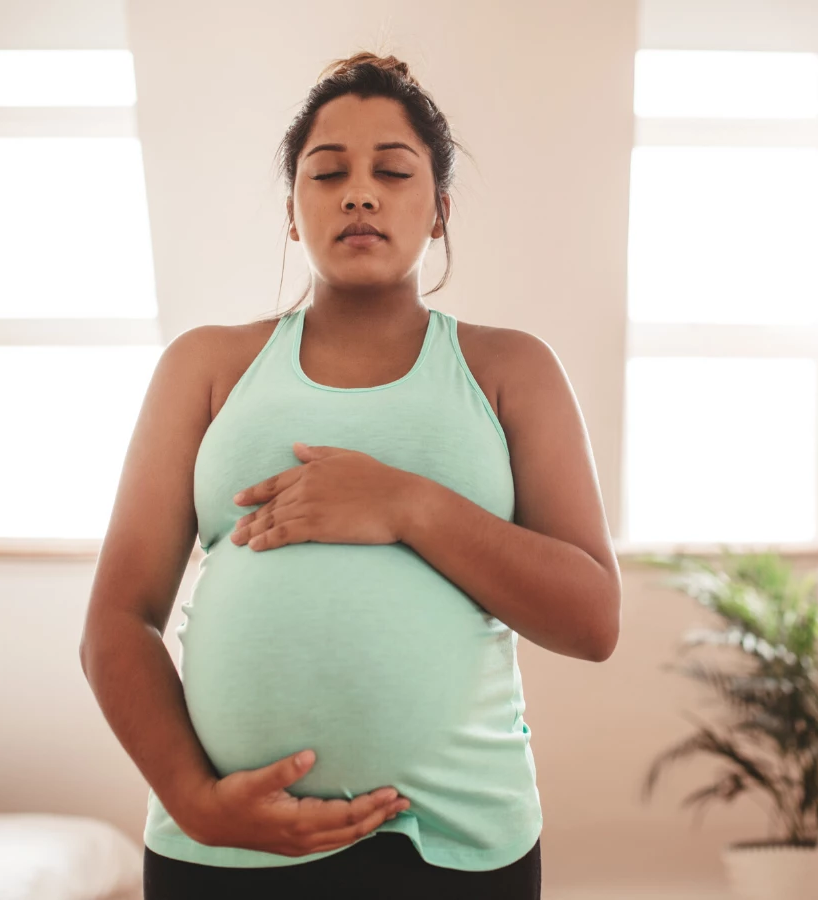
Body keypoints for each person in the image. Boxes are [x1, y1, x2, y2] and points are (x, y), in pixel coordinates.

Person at [78, 50, 621, 899]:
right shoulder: (208, 366)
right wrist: (196, 801)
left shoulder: (511, 369)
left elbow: (593, 619)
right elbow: (118, 619)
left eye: (392, 172)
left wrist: (405, 503)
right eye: (326, 173)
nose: (358, 193)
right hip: (220, 848)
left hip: (457, 847)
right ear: (294, 214)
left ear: (439, 210)